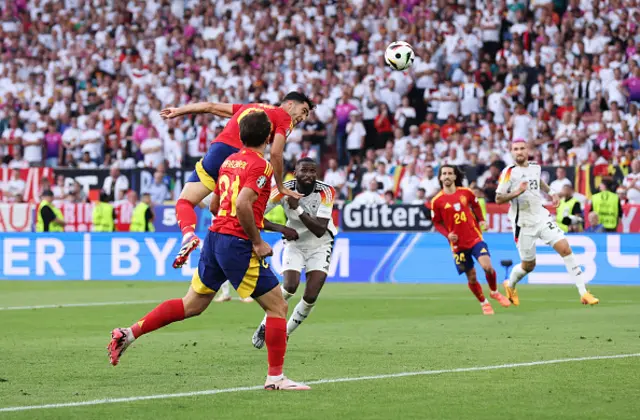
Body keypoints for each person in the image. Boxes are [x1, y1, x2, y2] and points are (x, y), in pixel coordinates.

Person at [107, 110, 310, 391]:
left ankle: (128, 334)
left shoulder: (228, 161)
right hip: (236, 242)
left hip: (214, 237)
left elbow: (215, 206)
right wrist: (257, 241)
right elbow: (241, 205)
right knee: (278, 306)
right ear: (267, 138)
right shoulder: (261, 167)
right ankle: (275, 377)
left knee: (192, 304)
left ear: (240, 136)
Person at [160, 92, 314, 269]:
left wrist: (179, 111)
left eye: (306, 115)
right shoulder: (284, 118)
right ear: (289, 104)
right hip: (242, 160)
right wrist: (280, 186)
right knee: (242, 208)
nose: (302, 117)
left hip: (217, 152)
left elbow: (211, 106)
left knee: (185, 202)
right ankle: (249, 253)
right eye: (303, 111)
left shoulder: (251, 107)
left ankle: (188, 235)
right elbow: (276, 153)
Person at [497, 140, 599, 306]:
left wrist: (552, 192)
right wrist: (517, 192)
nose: (519, 152)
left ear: (527, 150)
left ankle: (584, 293)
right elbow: (498, 198)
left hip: (541, 217)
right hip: (522, 224)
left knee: (565, 249)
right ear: (512, 152)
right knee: (528, 266)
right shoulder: (508, 173)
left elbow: (538, 182)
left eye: (522, 148)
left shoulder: (535, 167)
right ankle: (510, 284)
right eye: (516, 149)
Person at [252, 158, 337, 348]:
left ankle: (285, 332)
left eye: (312, 171)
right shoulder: (282, 189)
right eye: (304, 170)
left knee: (311, 295)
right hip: (295, 241)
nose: (308, 175)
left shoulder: (326, 191)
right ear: (295, 172)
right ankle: (265, 324)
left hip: (321, 244)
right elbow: (253, 214)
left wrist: (296, 207)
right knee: (290, 286)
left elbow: (320, 230)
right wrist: (282, 229)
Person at [431, 165, 511, 315]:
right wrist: (447, 235)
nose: (447, 176)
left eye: (450, 173)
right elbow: (437, 223)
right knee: (472, 277)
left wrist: (481, 220)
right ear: (440, 177)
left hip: (474, 238)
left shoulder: (466, 193)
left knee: (487, 266)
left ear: (455, 177)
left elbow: (476, 205)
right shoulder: (437, 201)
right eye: (444, 174)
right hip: (457, 245)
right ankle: (484, 302)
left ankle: (494, 292)